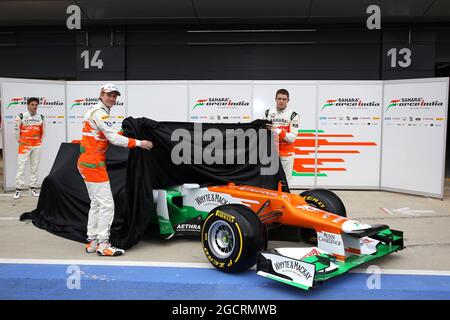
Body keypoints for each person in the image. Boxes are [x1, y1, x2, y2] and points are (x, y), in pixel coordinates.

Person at [78, 83, 153, 256]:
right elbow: (113, 139)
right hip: (93, 164)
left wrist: (121, 131)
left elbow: (106, 134)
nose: (112, 98)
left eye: (114, 96)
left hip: (87, 162)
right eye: (109, 95)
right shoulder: (100, 113)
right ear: (101, 95)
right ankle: (103, 245)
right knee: (107, 205)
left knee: (97, 203)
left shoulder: (96, 111)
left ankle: (92, 241)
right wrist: (140, 143)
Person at [265, 89, 299, 188]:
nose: (281, 101)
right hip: (271, 153)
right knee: (270, 180)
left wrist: (277, 130)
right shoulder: (268, 112)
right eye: (279, 98)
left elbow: (292, 138)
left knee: (285, 182)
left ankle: (285, 201)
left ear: (288, 100)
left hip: (286, 154)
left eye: (284, 99)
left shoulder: (293, 115)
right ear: (275, 99)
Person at [14, 97, 45, 199]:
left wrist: (38, 142)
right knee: (21, 167)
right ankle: (18, 189)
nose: (34, 107)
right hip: (24, 146)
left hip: (36, 145)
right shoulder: (21, 116)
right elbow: (16, 131)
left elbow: (43, 132)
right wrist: (21, 141)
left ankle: (33, 188)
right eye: (32, 105)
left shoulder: (41, 117)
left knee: (34, 167)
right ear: (28, 105)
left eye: (36, 105)